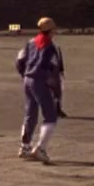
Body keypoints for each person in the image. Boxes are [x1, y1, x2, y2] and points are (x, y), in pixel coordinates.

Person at [16, 17, 62, 164]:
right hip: (40, 81)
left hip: (27, 80)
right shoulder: (51, 47)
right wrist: (56, 91)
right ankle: (40, 148)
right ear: (51, 31)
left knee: (30, 114)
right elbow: (54, 70)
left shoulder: (30, 42)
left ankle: (25, 146)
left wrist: (24, 75)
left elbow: (19, 61)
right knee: (50, 116)